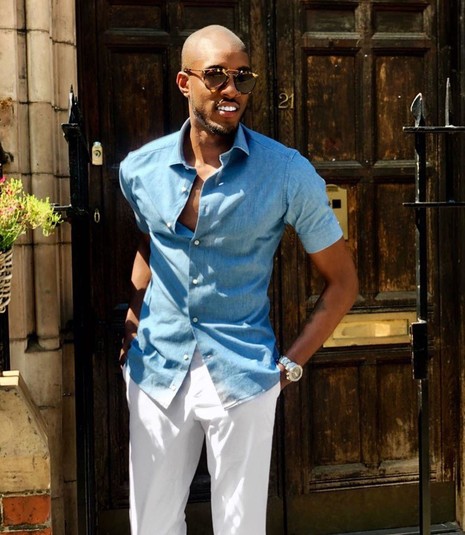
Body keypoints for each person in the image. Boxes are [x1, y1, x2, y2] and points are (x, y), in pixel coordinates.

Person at [119, 24, 358, 535]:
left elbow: (343, 282)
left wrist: (289, 366)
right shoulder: (140, 169)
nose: (231, 90)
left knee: (240, 527)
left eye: (242, 77)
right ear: (184, 82)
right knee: (152, 524)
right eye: (216, 76)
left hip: (243, 373)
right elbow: (149, 242)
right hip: (155, 370)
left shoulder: (287, 172)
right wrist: (132, 324)